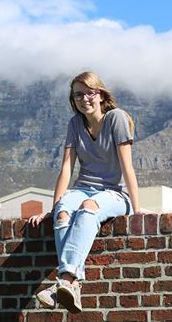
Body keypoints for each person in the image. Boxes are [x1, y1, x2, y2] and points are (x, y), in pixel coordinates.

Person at [28, 71, 140, 314]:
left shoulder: (116, 119)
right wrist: (54, 208)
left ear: (100, 94)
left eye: (89, 92)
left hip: (113, 193)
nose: (84, 99)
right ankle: (71, 284)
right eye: (78, 94)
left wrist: (138, 210)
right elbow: (66, 168)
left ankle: (66, 281)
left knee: (88, 208)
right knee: (63, 214)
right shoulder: (75, 124)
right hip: (83, 188)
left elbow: (127, 167)